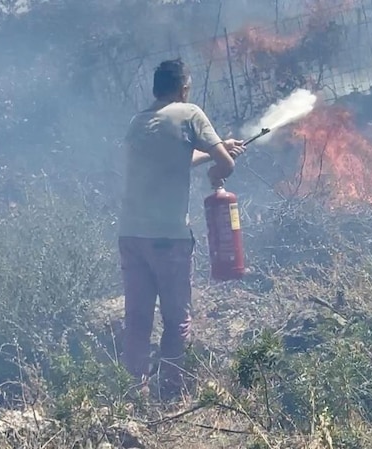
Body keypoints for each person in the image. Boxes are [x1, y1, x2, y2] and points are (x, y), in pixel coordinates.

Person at [117, 58, 244, 399]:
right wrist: (219, 165)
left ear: (156, 88)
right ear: (183, 87)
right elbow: (226, 164)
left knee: (138, 321)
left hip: (130, 236)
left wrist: (215, 151)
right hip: (167, 238)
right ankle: (172, 394)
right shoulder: (190, 113)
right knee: (176, 320)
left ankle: (134, 395)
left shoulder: (138, 122)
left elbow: (172, 161)